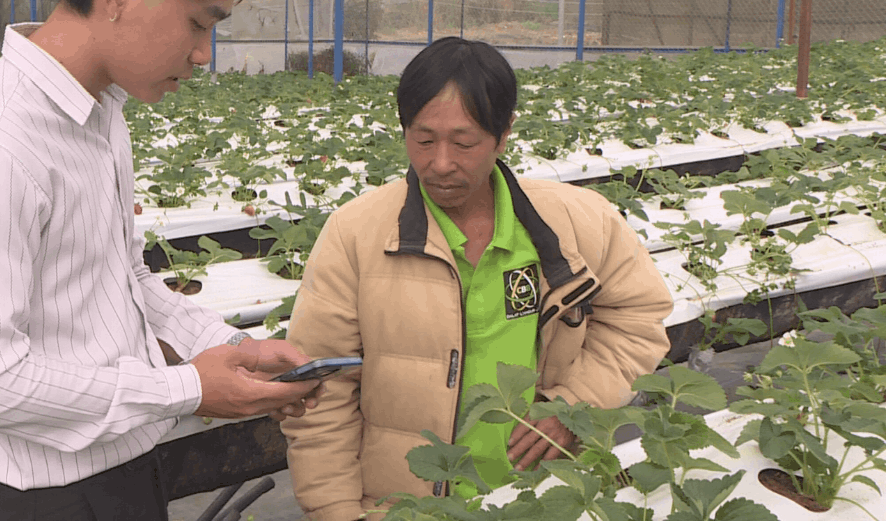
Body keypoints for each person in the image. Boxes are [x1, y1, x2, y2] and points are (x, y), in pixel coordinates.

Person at [0, 0, 322, 521]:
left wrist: (229, 350)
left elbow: (124, 279)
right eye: (198, 23)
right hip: (39, 503)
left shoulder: (102, 114)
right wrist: (187, 388)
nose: (204, 53)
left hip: (123, 471)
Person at [280, 37, 673, 521]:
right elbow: (322, 389)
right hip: (407, 508)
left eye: (464, 143)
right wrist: (336, 511)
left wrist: (574, 407)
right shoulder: (357, 233)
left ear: (503, 135)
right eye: (423, 140)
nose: (441, 163)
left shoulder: (576, 222)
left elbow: (637, 318)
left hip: (543, 499)